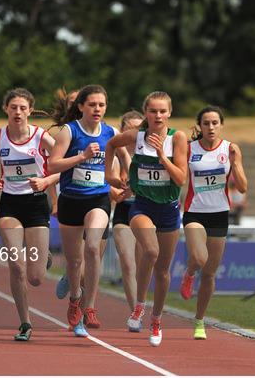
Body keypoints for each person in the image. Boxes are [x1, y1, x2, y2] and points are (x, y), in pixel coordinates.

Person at [105, 91, 187, 346]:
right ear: (146, 113)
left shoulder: (178, 138)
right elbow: (111, 144)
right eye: (153, 111)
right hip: (142, 207)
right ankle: (139, 306)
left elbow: (181, 179)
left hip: (169, 209)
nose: (158, 115)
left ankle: (156, 318)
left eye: (162, 111)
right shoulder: (136, 136)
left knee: (163, 270)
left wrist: (162, 156)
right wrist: (110, 175)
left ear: (169, 113)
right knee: (150, 251)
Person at [48, 84, 129, 337]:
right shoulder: (68, 132)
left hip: (98, 199)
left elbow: (126, 157)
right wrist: (82, 157)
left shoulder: (111, 132)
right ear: (81, 106)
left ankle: (90, 306)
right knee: (74, 261)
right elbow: (53, 165)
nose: (97, 109)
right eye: (92, 104)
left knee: (93, 247)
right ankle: (75, 299)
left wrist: (127, 178)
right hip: (71, 199)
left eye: (102, 105)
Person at [0, 88, 59, 341]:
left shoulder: (41, 137)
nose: (18, 112)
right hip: (10, 205)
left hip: (36, 204)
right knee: (16, 264)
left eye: (22, 108)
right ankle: (25, 322)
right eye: (13, 107)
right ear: (6, 109)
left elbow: (66, 166)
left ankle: (42, 255)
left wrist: (46, 181)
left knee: (35, 278)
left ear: (29, 110)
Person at [179, 106, 247, 340]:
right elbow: (180, 177)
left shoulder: (230, 149)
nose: (210, 127)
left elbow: (243, 187)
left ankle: (199, 321)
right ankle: (189, 273)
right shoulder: (189, 149)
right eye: (206, 123)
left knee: (209, 274)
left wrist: (235, 164)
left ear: (221, 125)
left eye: (215, 123)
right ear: (200, 126)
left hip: (219, 214)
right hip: (194, 212)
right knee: (199, 258)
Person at [110, 111, 144, 317]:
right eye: (130, 128)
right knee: (127, 261)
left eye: (139, 128)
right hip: (124, 211)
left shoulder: (150, 154)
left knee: (143, 265)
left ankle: (142, 303)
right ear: (122, 131)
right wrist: (116, 191)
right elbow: (106, 183)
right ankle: (136, 313)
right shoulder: (114, 155)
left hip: (146, 211)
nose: (134, 132)